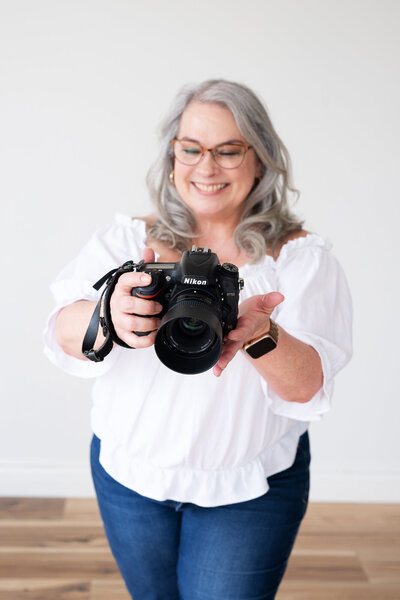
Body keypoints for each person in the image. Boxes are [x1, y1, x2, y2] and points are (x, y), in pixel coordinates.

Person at [44, 79, 352, 600]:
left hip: (248, 491)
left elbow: (306, 388)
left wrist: (260, 333)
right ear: (172, 158)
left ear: (260, 161)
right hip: (129, 479)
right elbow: (58, 331)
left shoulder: (300, 260)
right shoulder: (125, 244)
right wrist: (110, 310)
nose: (206, 167)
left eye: (228, 150)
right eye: (191, 148)